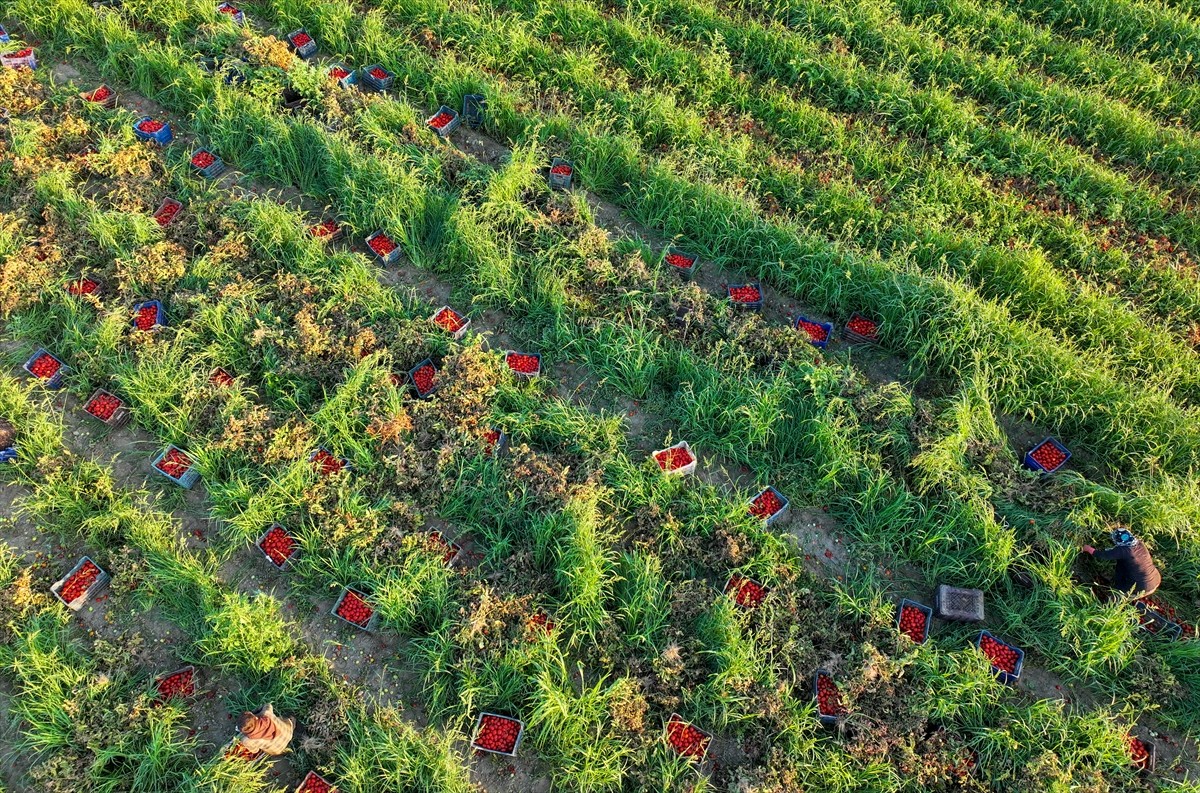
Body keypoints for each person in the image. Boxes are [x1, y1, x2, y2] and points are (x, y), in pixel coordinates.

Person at [1083, 529, 1161, 599]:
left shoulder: (1123, 551)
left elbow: (1102, 555)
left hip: (1143, 585)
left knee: (1116, 597)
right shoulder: (1139, 544)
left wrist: (1087, 548)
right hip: (1155, 578)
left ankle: (1106, 609)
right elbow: (1117, 551)